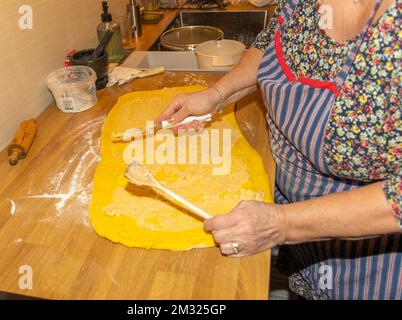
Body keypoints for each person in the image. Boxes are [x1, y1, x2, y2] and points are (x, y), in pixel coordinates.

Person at [155, 0, 401, 300]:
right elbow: (275, 41)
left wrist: (281, 224)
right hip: (300, 244)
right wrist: (217, 95)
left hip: (370, 269)